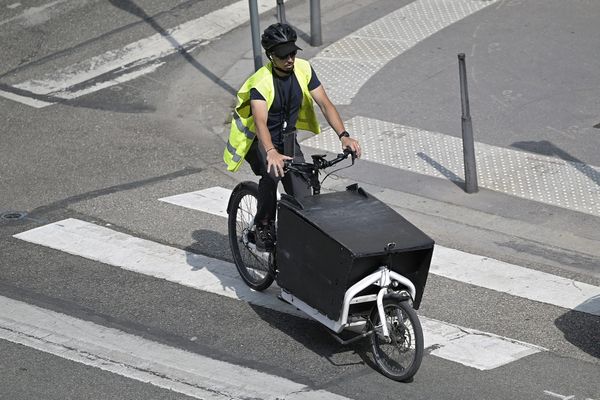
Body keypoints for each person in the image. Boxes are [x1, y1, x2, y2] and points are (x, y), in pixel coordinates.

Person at [224, 23, 361, 251]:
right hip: (261, 142)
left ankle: (295, 247)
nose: (290, 59)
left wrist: (344, 136)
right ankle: (263, 224)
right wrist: (271, 152)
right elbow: (259, 122)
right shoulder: (261, 82)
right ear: (270, 56)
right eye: (283, 55)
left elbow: (325, 104)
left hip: (287, 139)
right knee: (272, 173)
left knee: (303, 198)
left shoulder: (303, 69)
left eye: (293, 53)